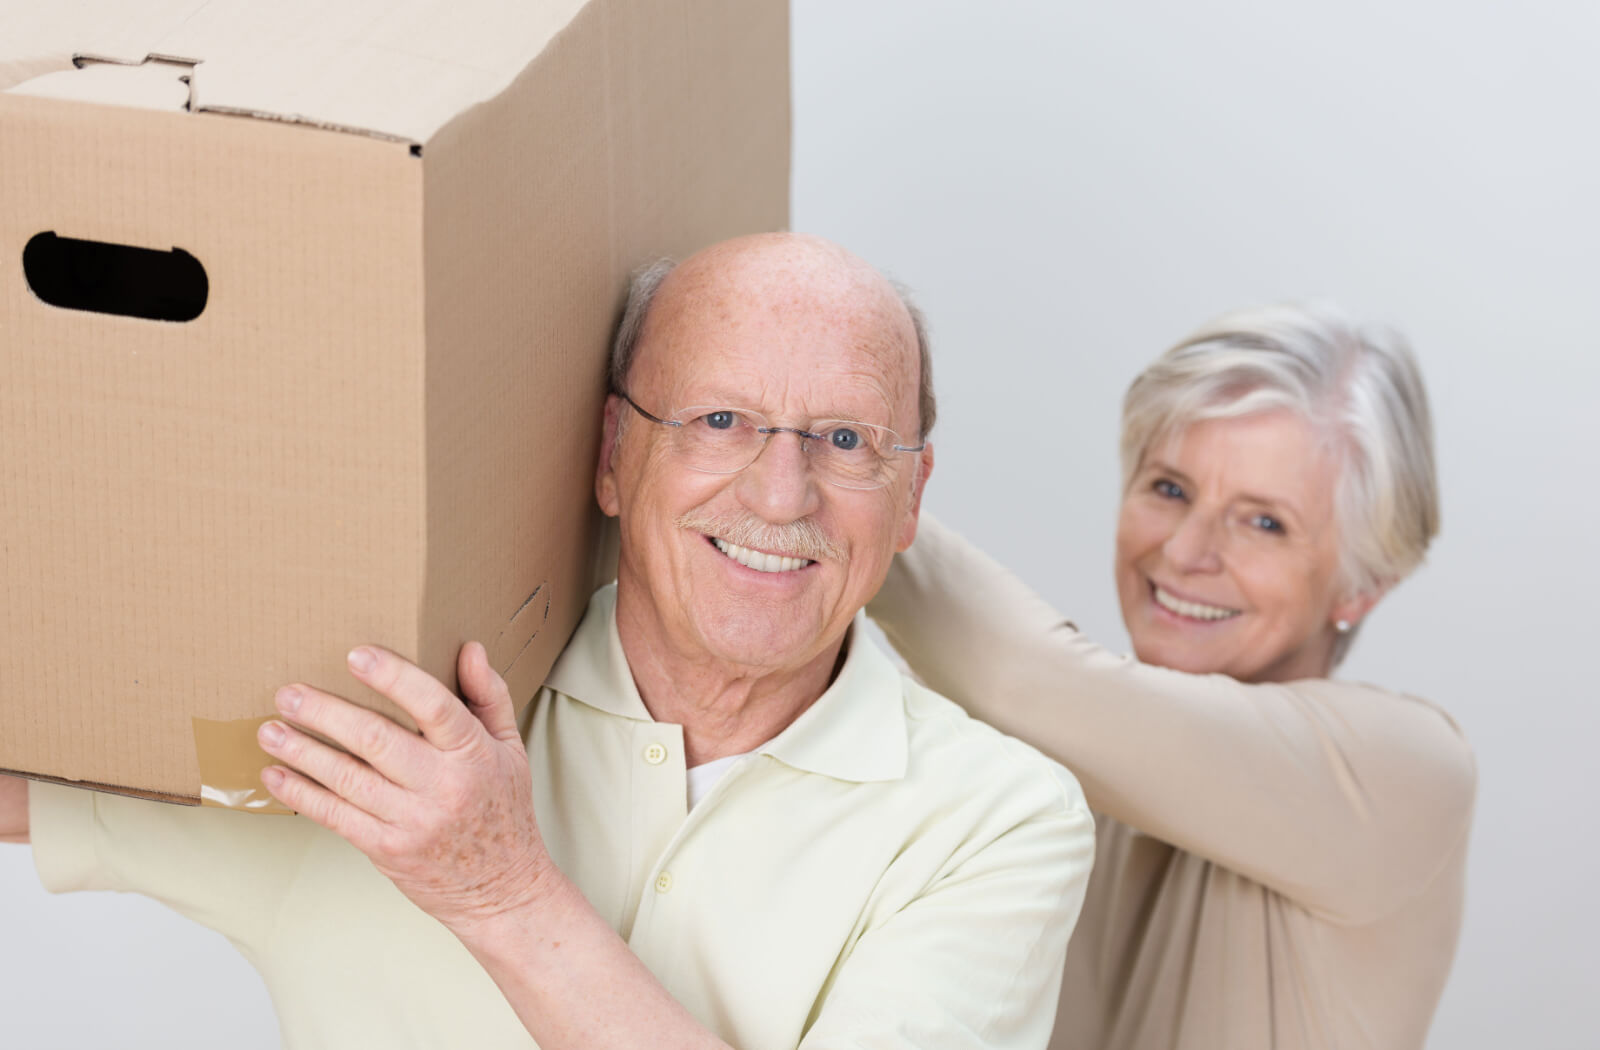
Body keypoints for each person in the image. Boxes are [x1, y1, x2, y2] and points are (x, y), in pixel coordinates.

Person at [0, 233, 1094, 1050]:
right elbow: (50, 776)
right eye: (719, 420)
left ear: (909, 500)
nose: (780, 488)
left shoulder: (994, 819)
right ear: (614, 455)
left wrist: (497, 888)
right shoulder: (396, 741)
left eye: (844, 439)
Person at [868, 303, 1476, 1050]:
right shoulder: (1060, 772)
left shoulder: (1407, 772)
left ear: (1362, 585)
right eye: (1169, 489)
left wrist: (836, 481)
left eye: (1264, 523)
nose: (1188, 551)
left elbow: (1015, 673)